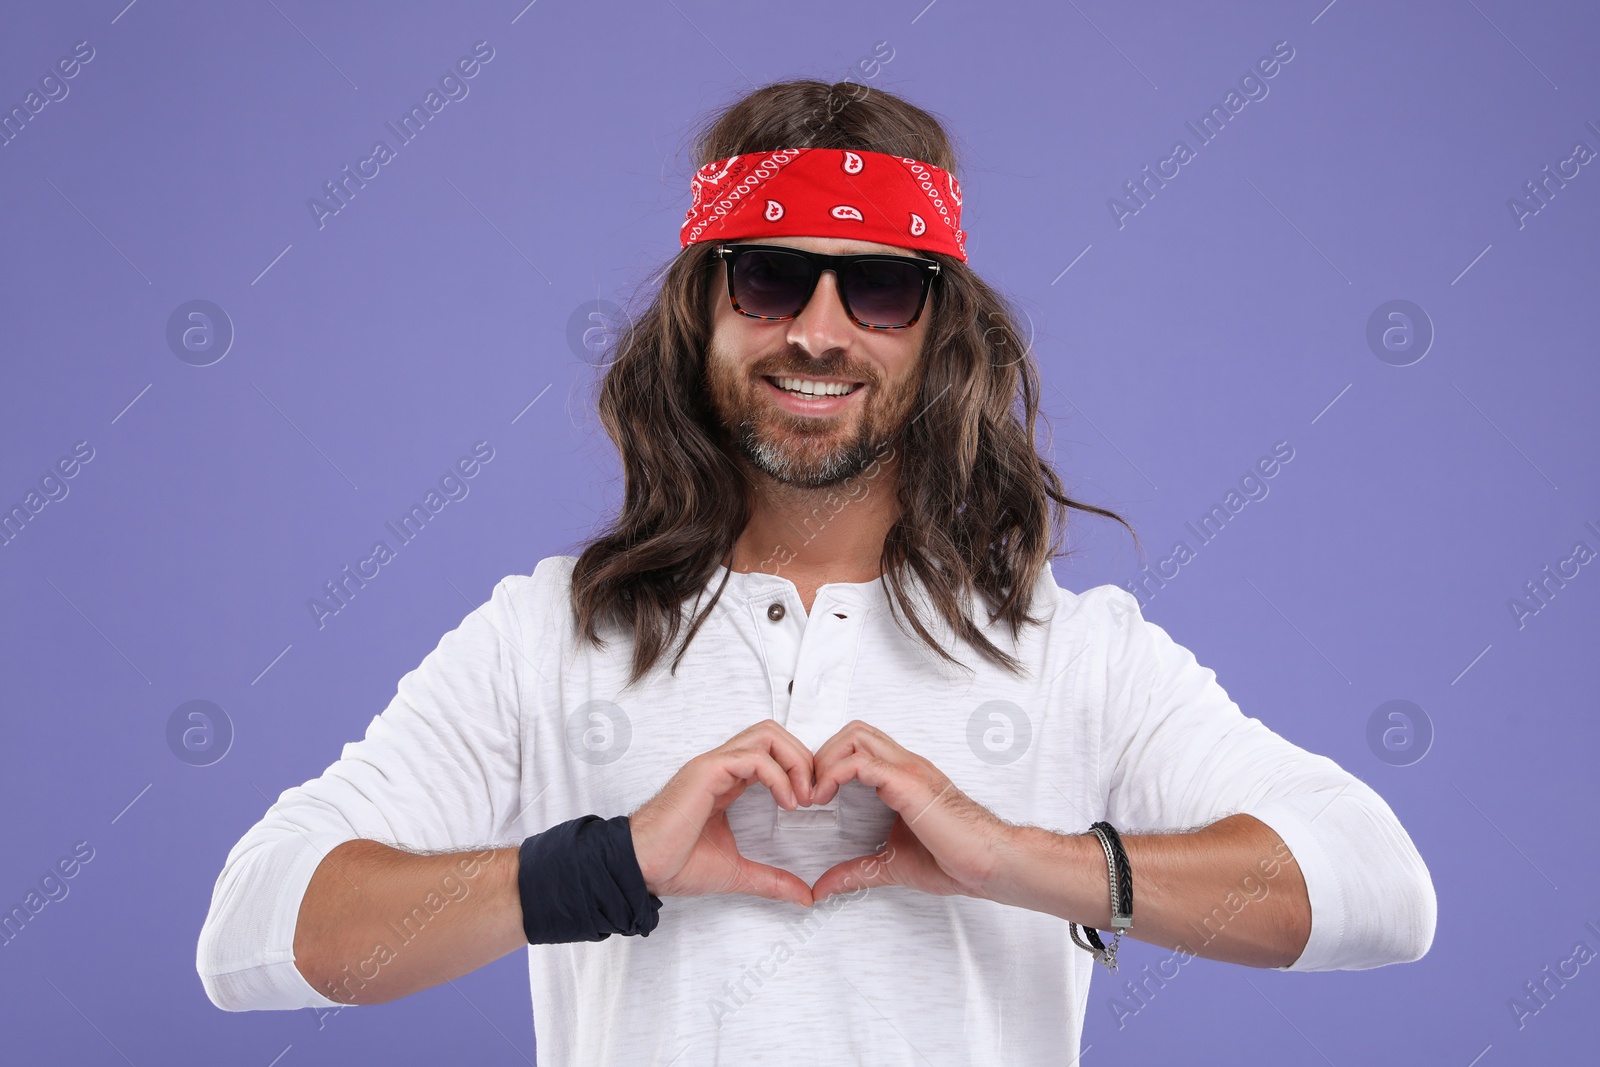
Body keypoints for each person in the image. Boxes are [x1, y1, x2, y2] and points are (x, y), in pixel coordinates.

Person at [196, 78, 1436, 1064]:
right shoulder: (548, 634)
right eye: (771, 275)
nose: (820, 327)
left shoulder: (1072, 650)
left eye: (881, 286)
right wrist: (609, 863)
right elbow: (252, 931)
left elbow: (1380, 890)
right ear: (705, 310)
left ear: (941, 331)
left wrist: (1020, 858)